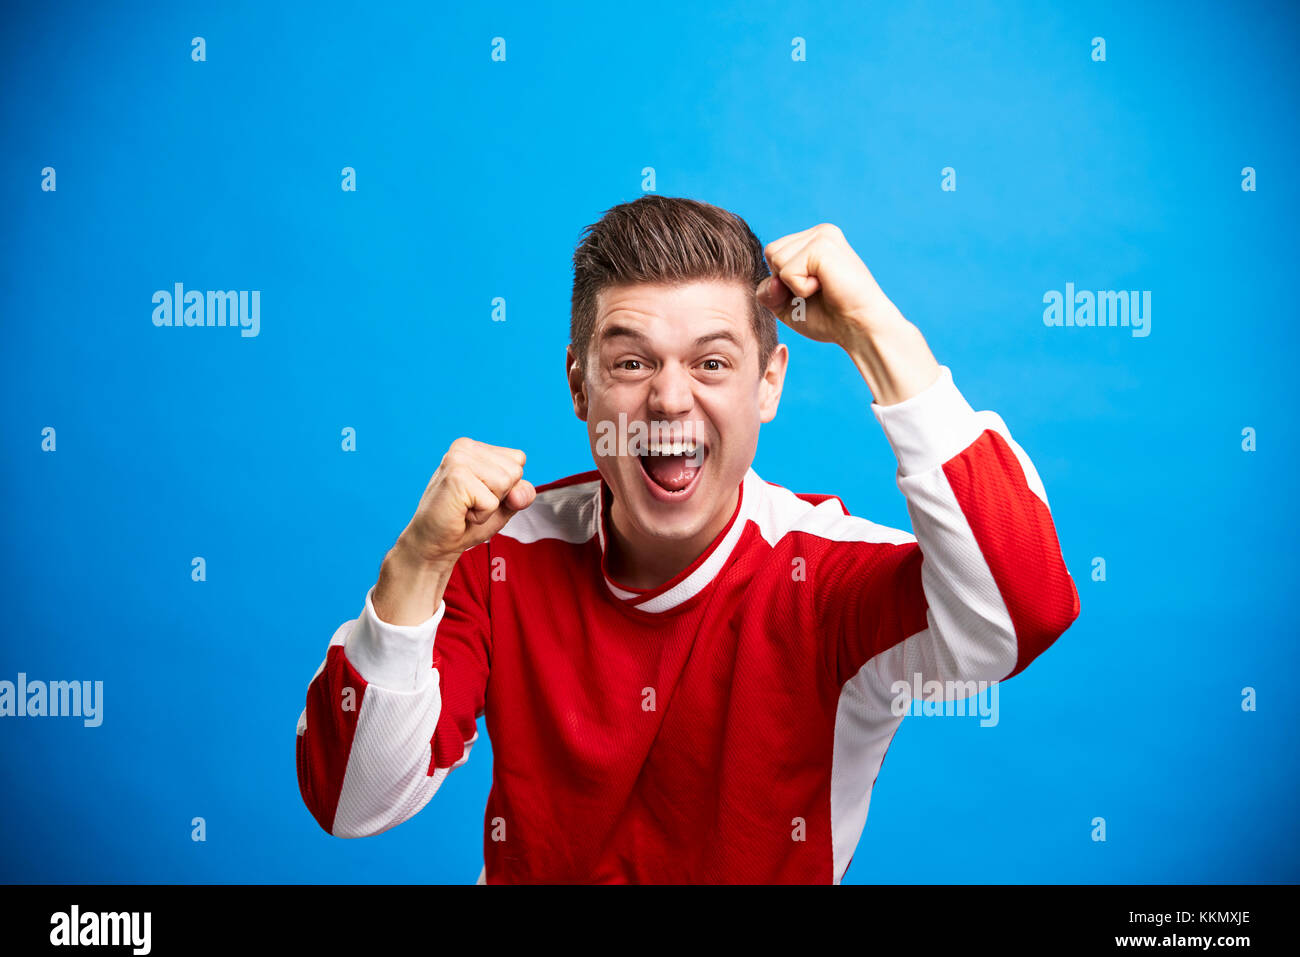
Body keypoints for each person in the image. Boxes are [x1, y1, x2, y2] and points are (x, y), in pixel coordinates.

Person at [295, 195, 1081, 884]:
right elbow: (351, 800)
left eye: (712, 361)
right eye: (632, 361)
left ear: (769, 381)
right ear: (579, 384)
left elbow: (1021, 612)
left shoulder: (830, 579)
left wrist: (879, 331)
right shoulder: (497, 553)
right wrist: (416, 564)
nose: (671, 400)